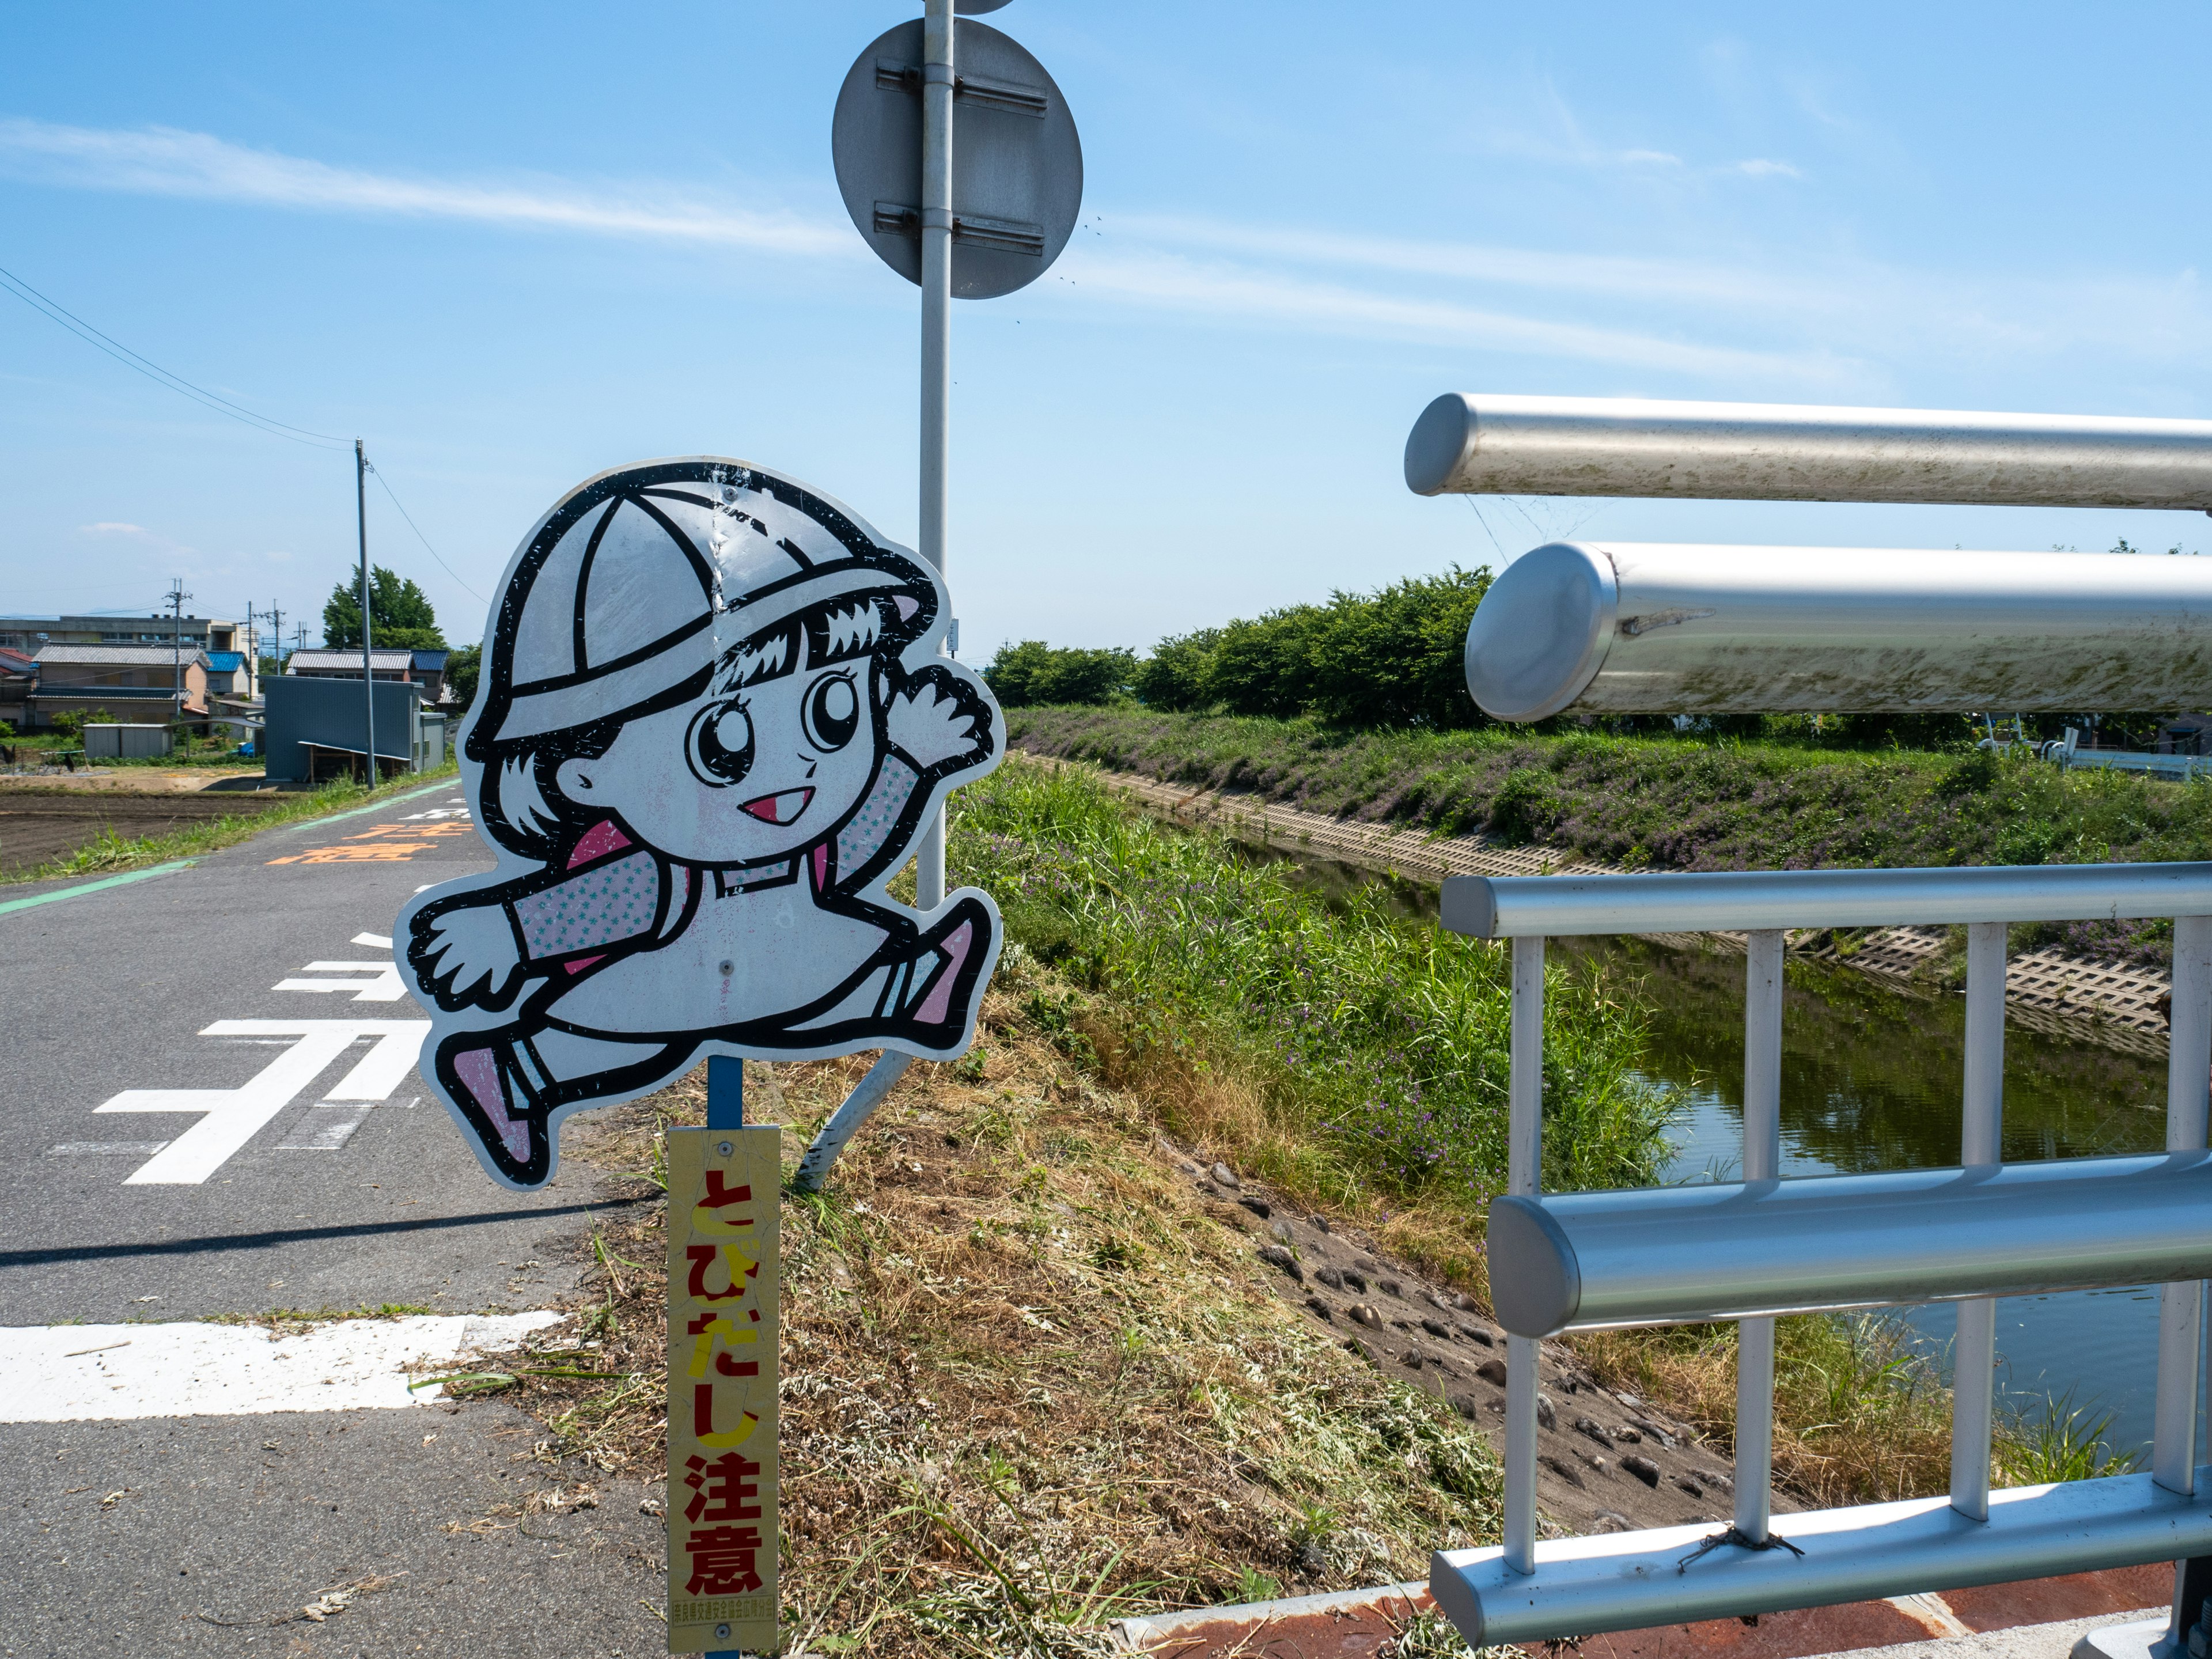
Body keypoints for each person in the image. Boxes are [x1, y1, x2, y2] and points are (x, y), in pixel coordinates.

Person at [397, 459, 1002, 1188]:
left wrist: (906, 758)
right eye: (724, 744)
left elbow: (857, 846)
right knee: (637, 1034)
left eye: (835, 710)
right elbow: (598, 903)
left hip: (777, 949)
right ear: (583, 768)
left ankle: (908, 986)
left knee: (806, 982)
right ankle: (512, 1071)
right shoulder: (662, 871)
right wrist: (511, 932)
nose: (794, 770)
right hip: (674, 967)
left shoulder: (806, 852)